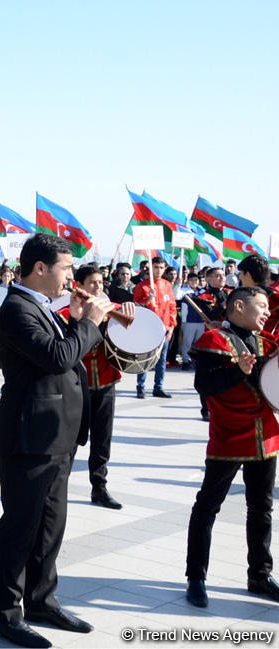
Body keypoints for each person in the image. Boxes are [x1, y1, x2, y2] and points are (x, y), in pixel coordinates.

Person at [0, 234, 113, 648]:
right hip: (29, 436)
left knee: (51, 524)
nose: (72, 277)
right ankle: (5, 615)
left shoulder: (44, 306)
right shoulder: (17, 309)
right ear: (39, 268)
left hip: (57, 434)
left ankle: (41, 600)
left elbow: (63, 355)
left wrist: (78, 321)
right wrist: (90, 324)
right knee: (19, 528)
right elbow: (59, 357)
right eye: (66, 269)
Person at [184, 286, 279, 608]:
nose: (267, 312)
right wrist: (238, 371)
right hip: (229, 435)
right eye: (261, 305)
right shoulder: (215, 341)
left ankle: (260, 575)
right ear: (238, 305)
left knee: (262, 507)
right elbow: (204, 386)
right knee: (208, 506)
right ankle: (196, 577)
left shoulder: (267, 343)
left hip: (265, 435)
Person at [57, 264, 135, 510]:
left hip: (106, 380)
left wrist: (130, 316)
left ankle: (99, 487)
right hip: (77, 384)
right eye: (92, 283)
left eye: (101, 283)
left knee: (103, 439)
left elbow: (130, 339)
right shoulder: (64, 310)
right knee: (70, 440)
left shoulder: (111, 308)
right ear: (79, 285)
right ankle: (58, 489)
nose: (98, 287)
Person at [133, 256, 176, 398]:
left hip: (164, 327)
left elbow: (172, 307)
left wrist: (171, 326)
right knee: (145, 358)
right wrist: (148, 300)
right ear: (150, 268)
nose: (158, 270)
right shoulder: (142, 286)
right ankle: (141, 386)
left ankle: (158, 387)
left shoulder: (167, 285)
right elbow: (136, 306)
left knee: (162, 360)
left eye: (161, 268)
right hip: (147, 328)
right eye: (156, 267)